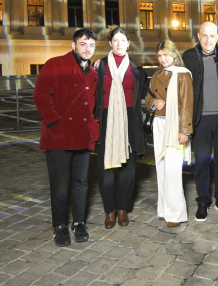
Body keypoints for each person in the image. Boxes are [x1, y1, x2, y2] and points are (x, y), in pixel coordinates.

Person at [33, 28, 99, 247]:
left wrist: (94, 128)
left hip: (82, 136)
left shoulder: (93, 73)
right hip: (59, 136)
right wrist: (55, 122)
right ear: (73, 45)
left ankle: (79, 222)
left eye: (91, 45)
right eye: (83, 44)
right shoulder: (55, 64)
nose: (87, 49)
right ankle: (59, 226)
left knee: (81, 183)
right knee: (60, 185)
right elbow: (40, 94)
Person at [182, 21, 218, 221]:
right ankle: (203, 201)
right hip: (200, 120)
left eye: (212, 36)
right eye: (204, 36)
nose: (208, 40)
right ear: (198, 36)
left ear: (217, 37)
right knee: (202, 163)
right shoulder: (188, 57)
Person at [95, 27, 147, 229]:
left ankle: (123, 208)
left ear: (128, 43)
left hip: (130, 119)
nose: (118, 44)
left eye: (122, 40)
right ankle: (110, 210)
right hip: (106, 118)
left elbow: (143, 93)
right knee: (105, 167)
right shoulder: (99, 66)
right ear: (110, 43)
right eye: (115, 40)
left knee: (128, 167)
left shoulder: (136, 68)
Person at [146, 40, 193, 228]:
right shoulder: (156, 74)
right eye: (159, 55)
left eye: (165, 54)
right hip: (158, 123)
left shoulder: (183, 75)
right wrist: (153, 103)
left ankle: (175, 213)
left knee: (173, 168)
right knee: (161, 166)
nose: (162, 58)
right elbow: (148, 96)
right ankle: (163, 209)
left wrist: (184, 130)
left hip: (175, 126)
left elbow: (187, 105)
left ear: (174, 55)